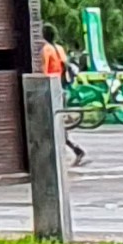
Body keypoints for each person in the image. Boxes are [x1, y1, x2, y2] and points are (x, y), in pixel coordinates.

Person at [39, 31, 87, 166]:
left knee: (52, 122)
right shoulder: (59, 48)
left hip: (50, 88)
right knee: (58, 121)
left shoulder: (46, 49)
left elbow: (45, 70)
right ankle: (74, 149)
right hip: (61, 87)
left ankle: (72, 150)